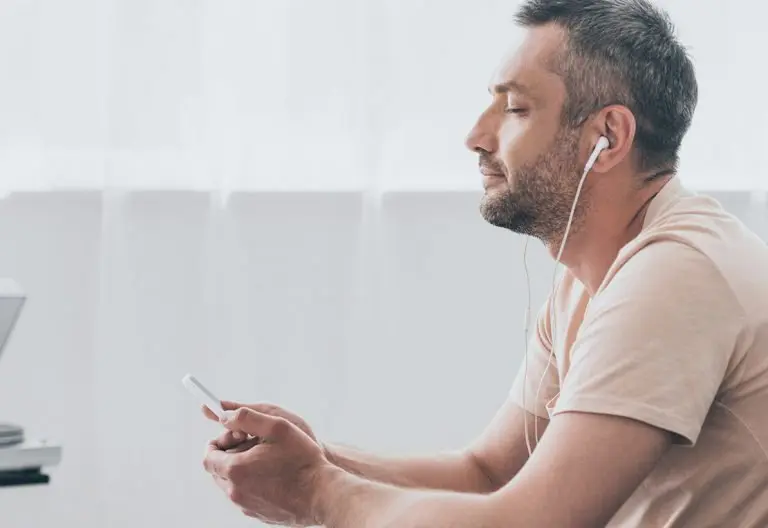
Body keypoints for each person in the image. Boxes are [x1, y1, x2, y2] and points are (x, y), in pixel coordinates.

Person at [201, 0, 768, 526]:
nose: (476, 135)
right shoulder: (591, 278)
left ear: (607, 135)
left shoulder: (678, 274)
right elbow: (489, 473)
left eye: (516, 107)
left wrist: (316, 491)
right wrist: (320, 457)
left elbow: (529, 521)